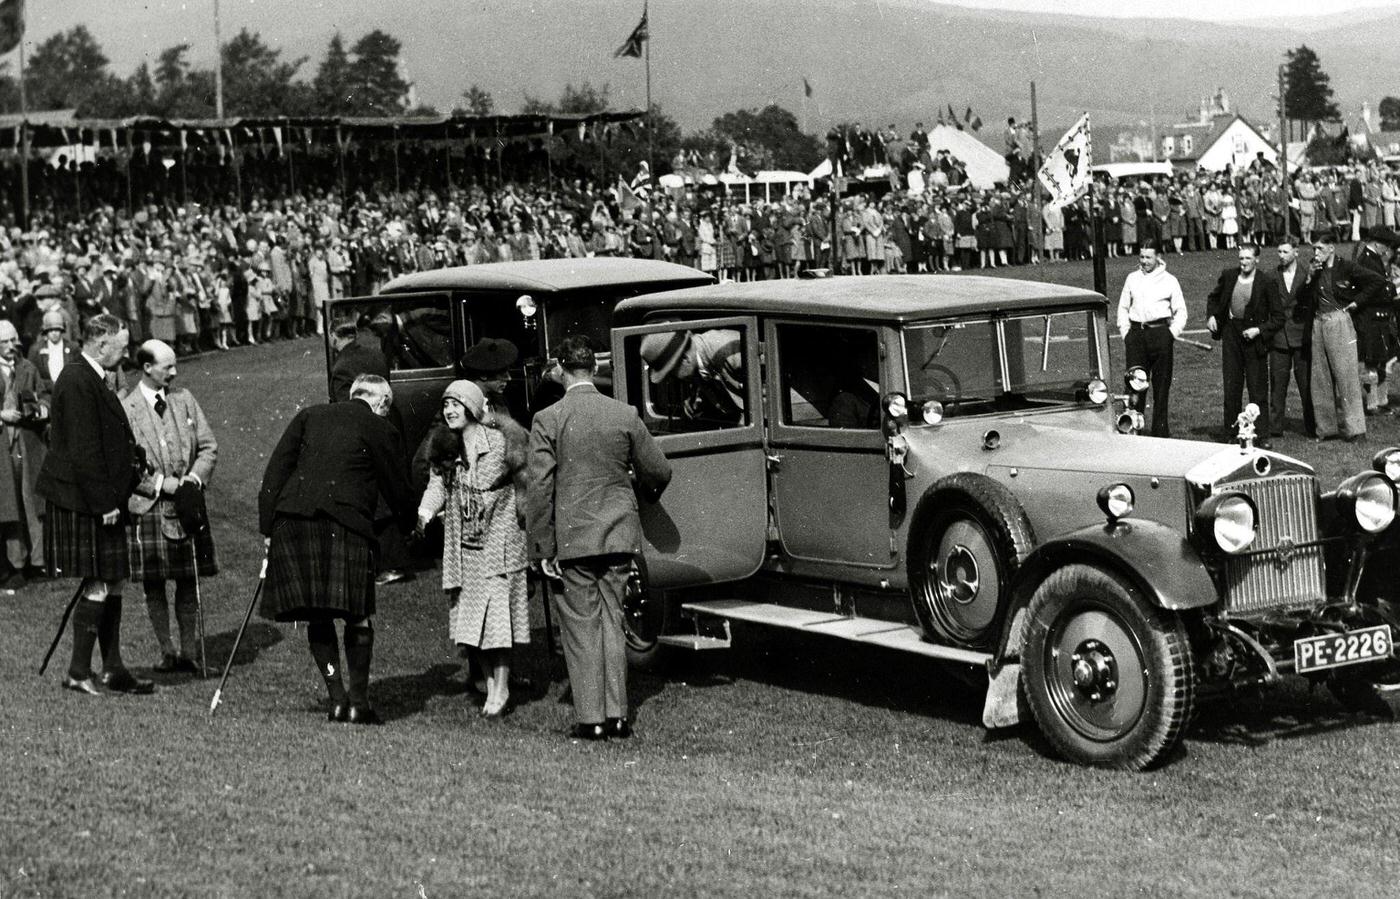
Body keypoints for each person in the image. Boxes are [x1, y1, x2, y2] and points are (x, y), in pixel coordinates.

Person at [525, 336, 672, 741]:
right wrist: (642, 494)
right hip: (618, 535)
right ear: (593, 368)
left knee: (581, 628)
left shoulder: (548, 418)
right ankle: (618, 716)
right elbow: (658, 470)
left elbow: (539, 489)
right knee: (613, 623)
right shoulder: (623, 413)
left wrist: (541, 547)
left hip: (572, 541)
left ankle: (591, 718)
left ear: (560, 368)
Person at [258, 373, 414, 724]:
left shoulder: (309, 415)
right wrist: (407, 527)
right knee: (356, 613)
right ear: (382, 403)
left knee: (318, 612)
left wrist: (268, 528)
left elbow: (274, 474)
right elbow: (397, 485)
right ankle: (358, 703)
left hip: (292, 522)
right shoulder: (378, 426)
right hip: (344, 525)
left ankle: (337, 699)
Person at [36, 313, 154, 696]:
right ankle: (77, 671)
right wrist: (105, 502)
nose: (124, 357)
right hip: (87, 500)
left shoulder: (94, 377)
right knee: (100, 582)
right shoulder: (75, 380)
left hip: (101, 497)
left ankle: (113, 668)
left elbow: (107, 436)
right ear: (100, 344)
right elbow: (84, 450)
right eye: (120, 348)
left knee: (113, 581)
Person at [416, 380, 529, 718]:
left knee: (497, 619)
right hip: (463, 547)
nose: (450, 411)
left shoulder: (497, 442)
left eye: (457, 404)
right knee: (470, 622)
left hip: (499, 542)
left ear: (474, 408)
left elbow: (517, 481)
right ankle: (491, 683)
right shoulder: (445, 446)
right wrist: (425, 511)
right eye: (446, 405)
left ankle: (501, 685)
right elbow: (437, 484)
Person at [122, 340, 218, 674]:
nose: (175, 373)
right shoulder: (126, 406)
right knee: (154, 585)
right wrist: (161, 484)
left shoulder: (184, 399)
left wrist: (192, 480)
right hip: (148, 508)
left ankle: (189, 651)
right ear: (147, 368)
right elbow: (124, 465)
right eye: (168, 367)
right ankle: (167, 650)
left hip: (187, 505)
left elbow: (208, 447)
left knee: (189, 581)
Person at [1296, 232, 1387, 442]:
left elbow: (1377, 281)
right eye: (1314, 249)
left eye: (1320, 248)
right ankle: (1326, 429)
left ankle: (1356, 429)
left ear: (1331, 248)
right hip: (1318, 323)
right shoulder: (1314, 269)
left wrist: (1357, 302)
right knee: (1320, 379)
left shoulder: (1346, 267)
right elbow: (1302, 298)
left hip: (1339, 321)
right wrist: (1309, 277)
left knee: (1346, 376)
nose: (1316, 253)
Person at [1206, 244, 1284, 446]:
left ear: (1257, 259)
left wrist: (1259, 330)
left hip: (1254, 338)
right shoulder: (1229, 276)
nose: (1244, 262)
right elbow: (1213, 298)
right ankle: (1231, 433)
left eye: (1248, 258)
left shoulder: (1266, 282)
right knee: (1232, 386)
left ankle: (1261, 435)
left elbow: (1278, 317)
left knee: (1257, 388)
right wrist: (1212, 316)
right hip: (1232, 334)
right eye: (1241, 258)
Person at [1116, 245, 1187, 437]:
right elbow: (1122, 308)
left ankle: (1160, 432)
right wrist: (1126, 333)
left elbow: (1181, 311)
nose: (1144, 261)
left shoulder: (1169, 280)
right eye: (1142, 257)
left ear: (1158, 257)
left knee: (1161, 386)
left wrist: (1171, 333)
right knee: (1135, 385)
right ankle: (1132, 429)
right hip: (1137, 336)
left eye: (1148, 257)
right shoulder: (1132, 278)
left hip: (1161, 335)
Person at [0, 319, 49, 585]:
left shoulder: (27, 367)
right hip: (2, 443)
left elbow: (43, 395)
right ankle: (15, 563)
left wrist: (42, 408)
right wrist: (2, 414)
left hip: (28, 440)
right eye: (4, 342)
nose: (11, 346)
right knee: (10, 506)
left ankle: (39, 562)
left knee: (32, 502)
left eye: (13, 340)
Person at [638, 328, 746, 427]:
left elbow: (761, 390)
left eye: (670, 373)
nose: (670, 380)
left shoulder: (729, 350)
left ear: (685, 359)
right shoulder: (696, 365)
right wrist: (700, 404)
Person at [1269, 238, 1314, 438]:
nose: (1281, 256)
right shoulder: (1271, 276)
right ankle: (1275, 427)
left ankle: (1312, 426)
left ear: (1296, 252)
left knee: (1306, 385)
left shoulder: (1307, 276)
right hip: (1279, 338)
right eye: (1279, 251)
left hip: (1302, 336)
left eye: (1285, 252)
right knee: (1278, 384)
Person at [29, 308, 77, 395]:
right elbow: (32, 374)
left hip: (69, 391)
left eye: (57, 330)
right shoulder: (36, 350)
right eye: (50, 330)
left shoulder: (73, 348)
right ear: (46, 332)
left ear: (62, 330)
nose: (54, 333)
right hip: (46, 393)